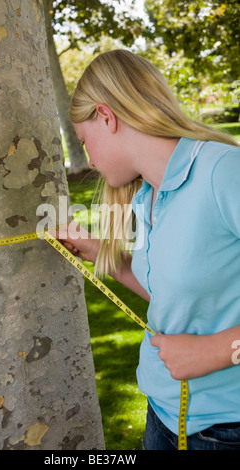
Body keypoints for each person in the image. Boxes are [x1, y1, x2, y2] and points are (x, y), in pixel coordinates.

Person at [56, 49, 240, 450]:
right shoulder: (146, 196)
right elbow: (173, 299)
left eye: (86, 143)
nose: (88, 158)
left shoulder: (223, 172)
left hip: (225, 429)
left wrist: (220, 350)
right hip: (162, 414)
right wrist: (107, 255)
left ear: (107, 117)